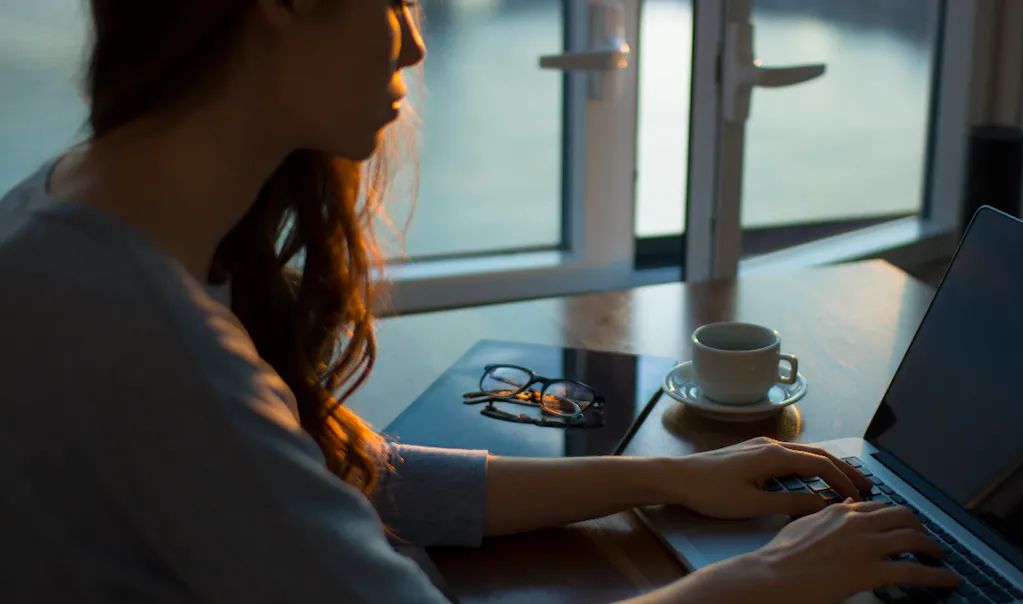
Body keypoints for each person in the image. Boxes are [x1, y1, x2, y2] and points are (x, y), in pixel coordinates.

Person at [0, 1, 960, 602]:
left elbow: (337, 478)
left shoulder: (67, 207)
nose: (414, 40)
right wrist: (766, 579)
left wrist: (663, 480)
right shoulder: (148, 344)